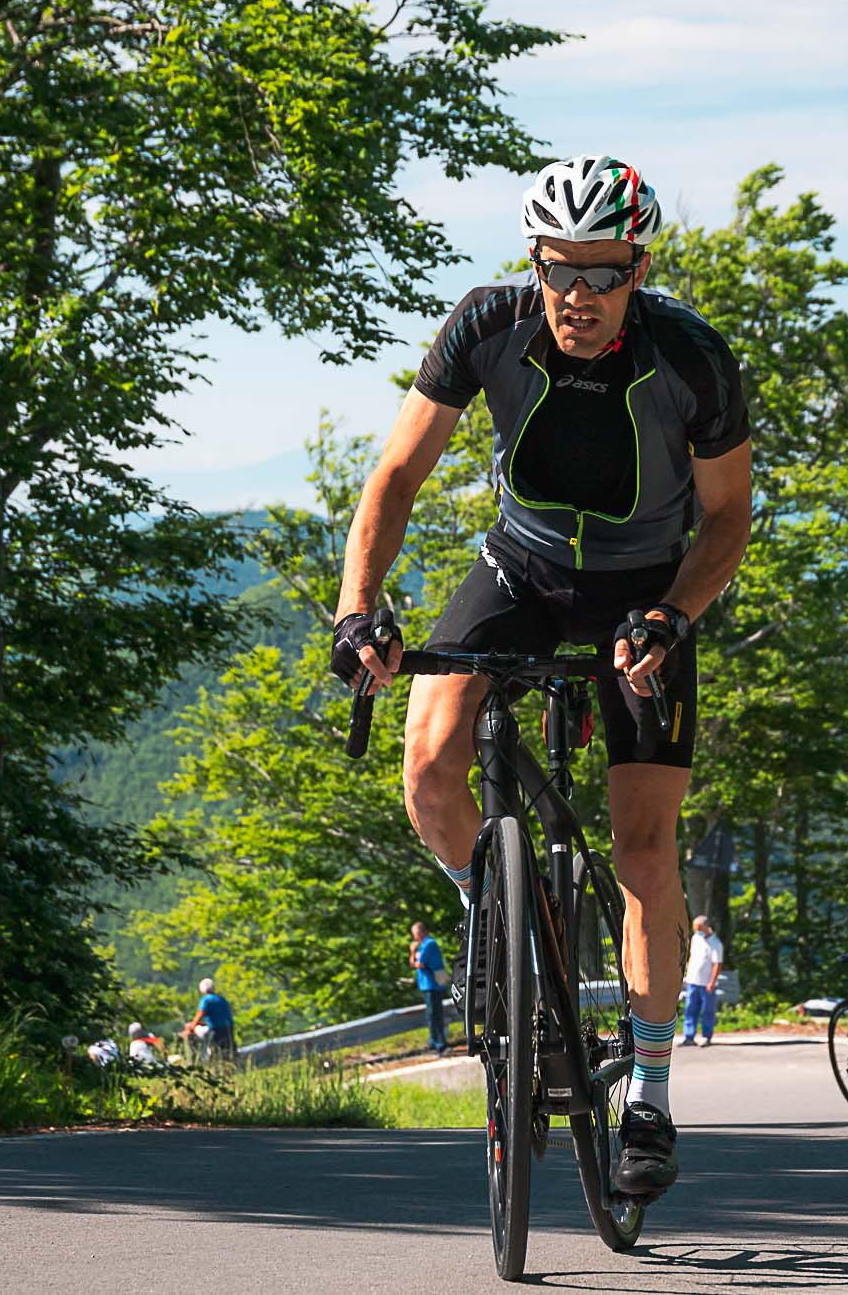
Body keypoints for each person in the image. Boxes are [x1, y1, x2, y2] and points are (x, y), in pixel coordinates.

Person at [331, 155, 751, 1203]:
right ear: (534, 262)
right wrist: (357, 609)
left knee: (643, 841)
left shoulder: (691, 359)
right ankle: (497, 912)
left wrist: (672, 614)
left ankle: (648, 1093)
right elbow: (394, 473)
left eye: (601, 274)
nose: (576, 294)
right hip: (515, 569)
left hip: (642, 592)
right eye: (558, 269)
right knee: (426, 768)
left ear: (637, 269)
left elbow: (728, 519)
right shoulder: (487, 325)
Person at [679, 916, 723, 1047]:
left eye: (699, 928)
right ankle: (689, 1036)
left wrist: (712, 981)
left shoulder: (716, 943)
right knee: (690, 1009)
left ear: (707, 927)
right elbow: (692, 956)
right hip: (693, 981)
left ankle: (706, 1036)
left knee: (707, 1011)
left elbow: (717, 964)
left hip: (707, 983)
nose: (697, 931)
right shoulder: (696, 939)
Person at [410, 921, 451, 1054]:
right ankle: (434, 1041)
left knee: (435, 1014)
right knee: (431, 1014)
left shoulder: (429, 944)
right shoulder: (424, 945)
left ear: (419, 932)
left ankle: (440, 1043)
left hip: (432, 985)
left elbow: (419, 964)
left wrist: (412, 952)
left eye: (414, 934)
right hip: (427, 985)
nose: (414, 937)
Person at [182, 977, 235, 1062]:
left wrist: (190, 1028)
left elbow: (200, 1014)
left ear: (202, 990)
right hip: (228, 1031)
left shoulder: (206, 999)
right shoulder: (222, 999)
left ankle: (194, 1058)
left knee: (188, 1027)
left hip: (215, 1032)